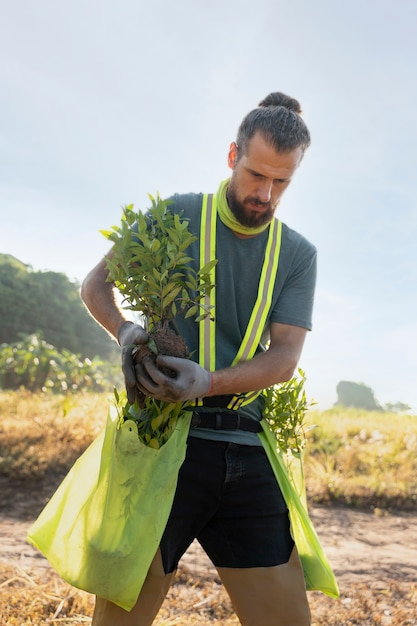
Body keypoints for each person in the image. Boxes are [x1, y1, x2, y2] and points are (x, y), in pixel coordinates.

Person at [81, 91, 316, 626]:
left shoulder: (297, 254)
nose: (265, 193)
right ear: (233, 155)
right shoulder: (174, 215)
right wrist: (125, 331)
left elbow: (284, 357)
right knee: (121, 616)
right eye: (257, 174)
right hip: (164, 443)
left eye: (282, 182)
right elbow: (96, 284)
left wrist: (208, 380)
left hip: (245, 448)